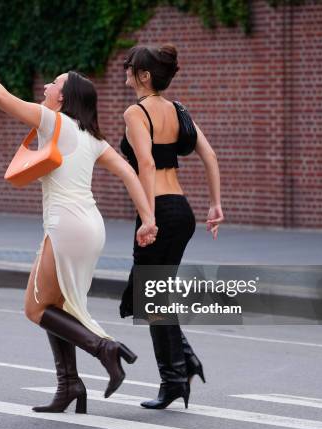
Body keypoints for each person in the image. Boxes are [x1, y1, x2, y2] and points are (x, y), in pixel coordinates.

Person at [0, 46, 158, 414]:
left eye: (55, 83)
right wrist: (148, 218)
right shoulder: (91, 137)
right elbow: (130, 173)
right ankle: (70, 386)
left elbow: (1, 97)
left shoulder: (56, 122)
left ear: (63, 97)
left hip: (66, 226)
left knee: (35, 308)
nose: (47, 85)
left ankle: (104, 348)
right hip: (89, 227)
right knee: (57, 305)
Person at [118, 43, 224, 409]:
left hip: (159, 212)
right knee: (154, 297)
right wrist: (215, 204)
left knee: (151, 301)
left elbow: (145, 165)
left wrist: (147, 218)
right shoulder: (178, 111)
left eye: (129, 67)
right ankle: (184, 365)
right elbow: (209, 155)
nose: (125, 73)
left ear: (144, 75)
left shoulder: (136, 112)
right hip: (182, 211)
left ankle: (175, 379)